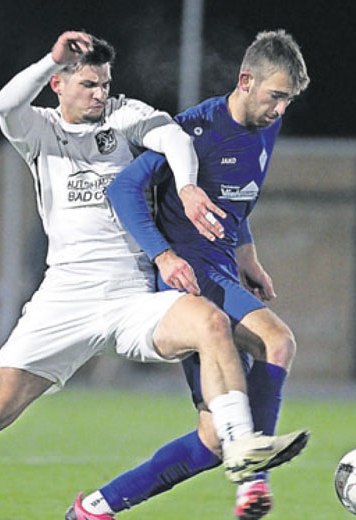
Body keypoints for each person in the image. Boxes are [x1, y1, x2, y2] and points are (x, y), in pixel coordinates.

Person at [0, 31, 308, 520]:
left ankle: (242, 451)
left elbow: (172, 137)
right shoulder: (38, 129)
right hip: (64, 296)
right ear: (58, 84)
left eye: (105, 83)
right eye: (88, 84)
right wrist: (50, 58)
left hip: (131, 296)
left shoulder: (125, 117)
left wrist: (187, 188)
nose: (100, 94)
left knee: (209, 324)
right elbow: (4, 104)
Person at [69, 29, 311, 520]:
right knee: (277, 341)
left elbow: (236, 197)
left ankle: (94, 507)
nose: (281, 109)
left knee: (210, 439)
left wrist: (248, 254)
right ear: (246, 80)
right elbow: (123, 191)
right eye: (276, 96)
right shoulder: (194, 131)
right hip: (192, 277)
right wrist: (162, 256)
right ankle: (254, 483)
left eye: (289, 100)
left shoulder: (266, 126)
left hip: (224, 267)